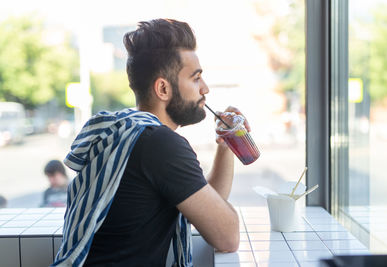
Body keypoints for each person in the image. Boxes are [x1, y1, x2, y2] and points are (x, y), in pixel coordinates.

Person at [53, 19, 246, 267]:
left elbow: (207, 206)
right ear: (163, 89)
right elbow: (227, 237)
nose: (205, 89)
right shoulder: (159, 144)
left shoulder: (134, 134)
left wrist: (226, 142)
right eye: (196, 78)